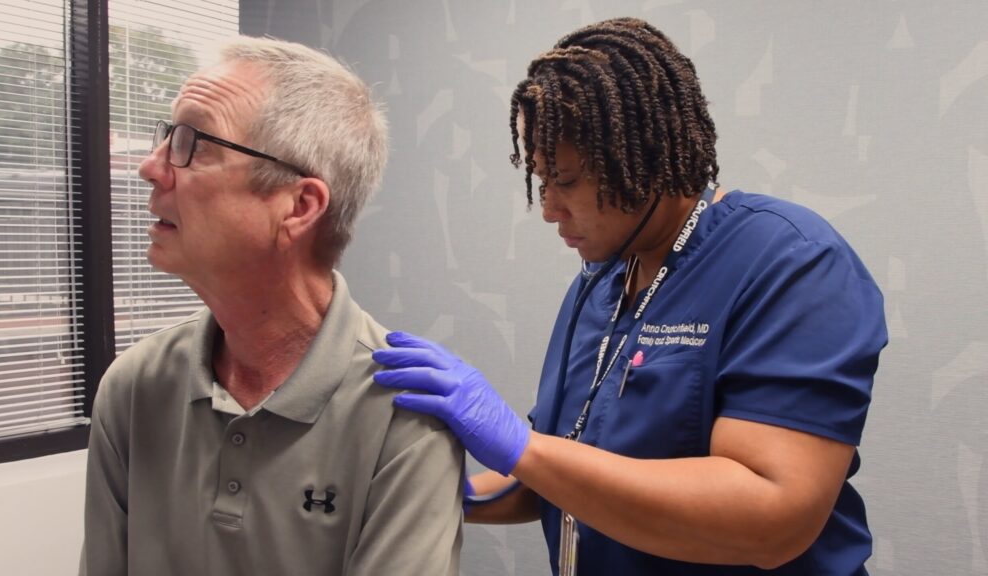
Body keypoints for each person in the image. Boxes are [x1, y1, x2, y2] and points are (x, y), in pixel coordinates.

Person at [373, 17, 887, 575]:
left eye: (565, 181)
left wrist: (523, 447)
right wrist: (438, 497)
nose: (547, 208)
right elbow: (560, 471)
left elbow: (772, 517)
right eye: (541, 180)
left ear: (639, 157)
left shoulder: (790, 262)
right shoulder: (601, 284)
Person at [79, 36, 463, 576]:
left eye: (192, 145)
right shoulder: (136, 386)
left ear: (299, 205)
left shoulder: (405, 418)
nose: (151, 167)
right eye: (166, 137)